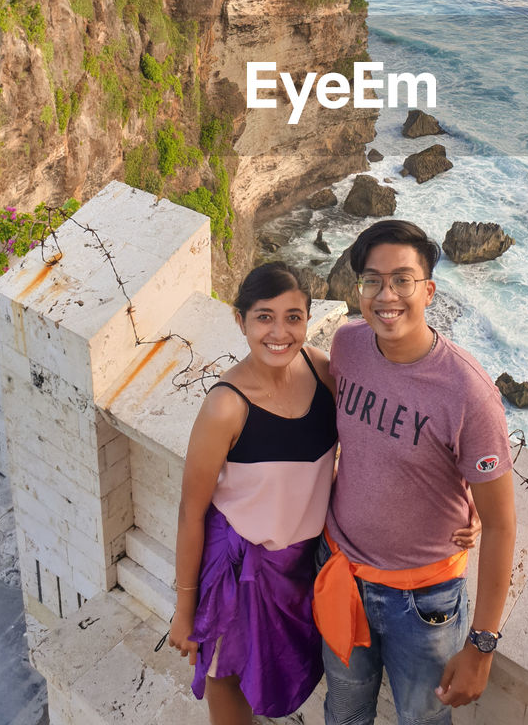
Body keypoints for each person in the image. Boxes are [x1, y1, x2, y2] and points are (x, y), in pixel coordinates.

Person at [313, 219, 516, 725]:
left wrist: (482, 644)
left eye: (402, 280)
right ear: (358, 288)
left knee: (423, 720)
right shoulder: (348, 346)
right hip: (341, 570)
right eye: (373, 280)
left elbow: (503, 523)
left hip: (425, 604)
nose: (387, 295)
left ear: (428, 290)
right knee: (343, 711)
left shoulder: (468, 393)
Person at [168, 262, 337, 723]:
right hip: (236, 569)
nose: (279, 332)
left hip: (298, 568)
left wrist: (463, 499)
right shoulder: (226, 407)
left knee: (277, 672)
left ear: (307, 318)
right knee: (227, 678)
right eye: (264, 316)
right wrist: (185, 611)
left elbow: (382, 439)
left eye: (293, 317)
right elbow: (191, 512)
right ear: (239, 320)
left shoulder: (322, 372)